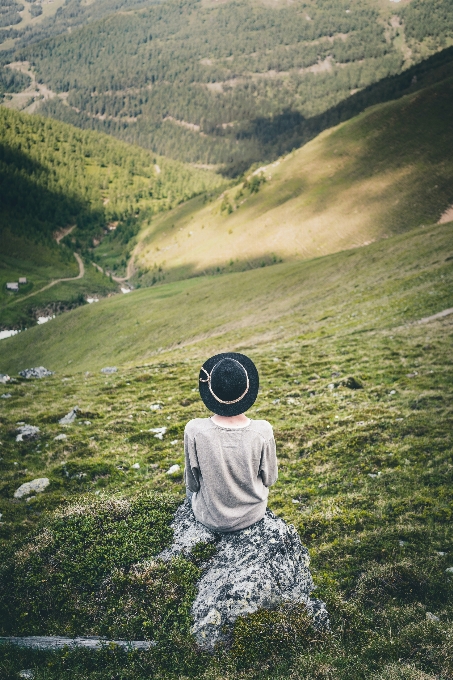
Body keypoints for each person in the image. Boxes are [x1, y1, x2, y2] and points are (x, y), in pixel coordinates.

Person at [184, 352, 278, 532]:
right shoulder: (263, 431)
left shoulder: (194, 430)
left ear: (211, 390)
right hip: (252, 516)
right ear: (247, 389)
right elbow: (270, 479)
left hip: (209, 517)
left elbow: (192, 484)